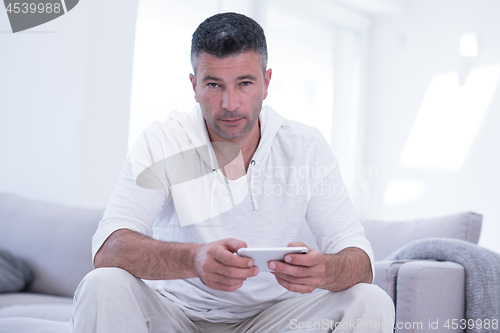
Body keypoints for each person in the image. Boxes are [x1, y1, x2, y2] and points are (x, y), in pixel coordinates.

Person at [71, 12, 395, 333]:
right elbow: (108, 249)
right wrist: (194, 260)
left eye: (244, 83)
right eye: (214, 84)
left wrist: (324, 270)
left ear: (266, 83)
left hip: (271, 320)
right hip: (173, 316)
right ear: (194, 85)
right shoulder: (163, 140)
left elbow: (360, 261)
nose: (230, 103)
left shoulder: (305, 146)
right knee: (103, 283)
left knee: (370, 301)